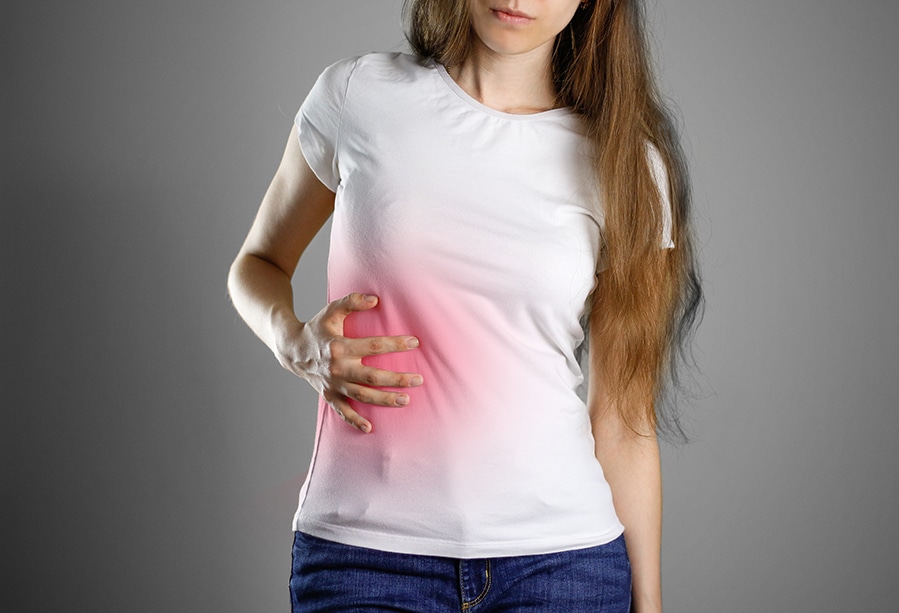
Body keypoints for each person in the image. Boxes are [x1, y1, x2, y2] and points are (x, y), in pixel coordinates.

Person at [228, 0, 701, 611]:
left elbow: (623, 418)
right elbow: (258, 263)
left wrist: (650, 604)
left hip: (563, 568)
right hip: (363, 556)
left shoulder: (627, 165)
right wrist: (293, 342)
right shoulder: (358, 95)